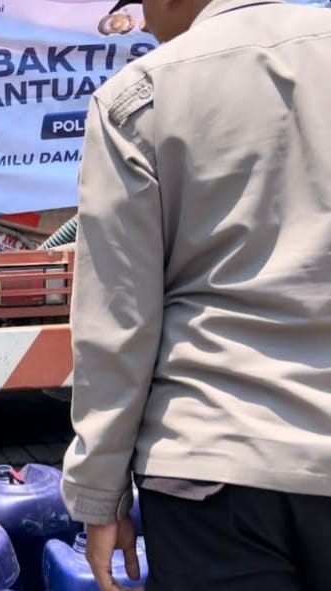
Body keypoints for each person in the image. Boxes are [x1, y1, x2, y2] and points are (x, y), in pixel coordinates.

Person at [61, 1, 331, 590]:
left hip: (211, 471)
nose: (146, 23)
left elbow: (118, 322)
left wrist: (98, 495)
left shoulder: (141, 96)